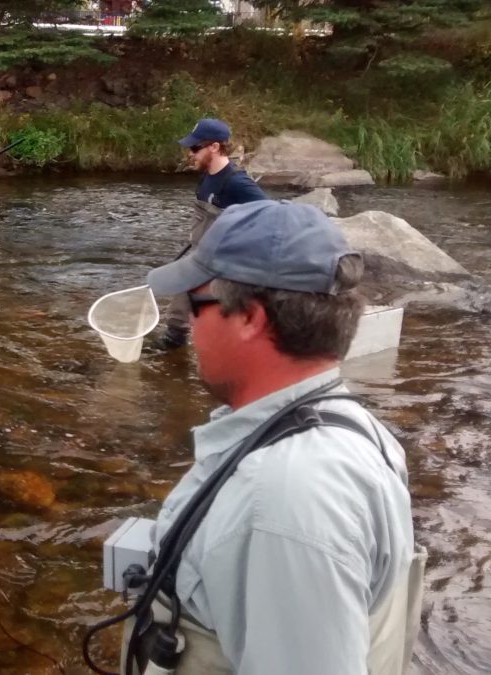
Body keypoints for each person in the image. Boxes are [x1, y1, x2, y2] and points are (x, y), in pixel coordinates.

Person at [121, 200, 424, 674]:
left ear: (250, 319)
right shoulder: (356, 427)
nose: (187, 321)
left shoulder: (283, 498)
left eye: (195, 302)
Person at [157, 118, 269, 350]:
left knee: (217, 321)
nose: (191, 153)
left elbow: (271, 215)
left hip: (221, 263)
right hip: (199, 253)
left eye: (196, 147)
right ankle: (174, 345)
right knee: (180, 307)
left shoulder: (238, 182)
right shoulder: (207, 176)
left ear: (215, 147)